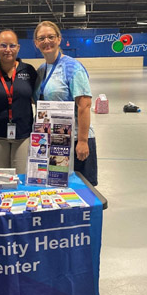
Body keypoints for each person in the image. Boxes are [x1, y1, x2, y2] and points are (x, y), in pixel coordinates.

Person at [33, 21, 98, 186]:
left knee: (81, 189)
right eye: (42, 38)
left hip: (75, 139)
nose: (46, 41)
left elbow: (84, 105)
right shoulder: (41, 70)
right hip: (52, 139)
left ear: (59, 39)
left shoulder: (72, 67)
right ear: (36, 43)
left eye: (51, 37)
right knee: (57, 187)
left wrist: (82, 141)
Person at [0, 29, 37, 174]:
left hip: (23, 134)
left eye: (12, 46)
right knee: (2, 180)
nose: (8, 50)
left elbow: (38, 97)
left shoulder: (29, 71)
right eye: (3, 45)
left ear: (18, 47)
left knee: (21, 179)